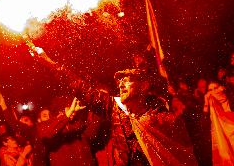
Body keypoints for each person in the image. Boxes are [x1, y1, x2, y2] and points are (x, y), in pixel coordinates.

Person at [33, 50, 197, 165]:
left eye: (127, 80)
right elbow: (80, 87)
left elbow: (180, 153)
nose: (121, 84)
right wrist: (50, 63)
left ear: (144, 86)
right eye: (119, 81)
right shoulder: (113, 107)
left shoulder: (163, 117)